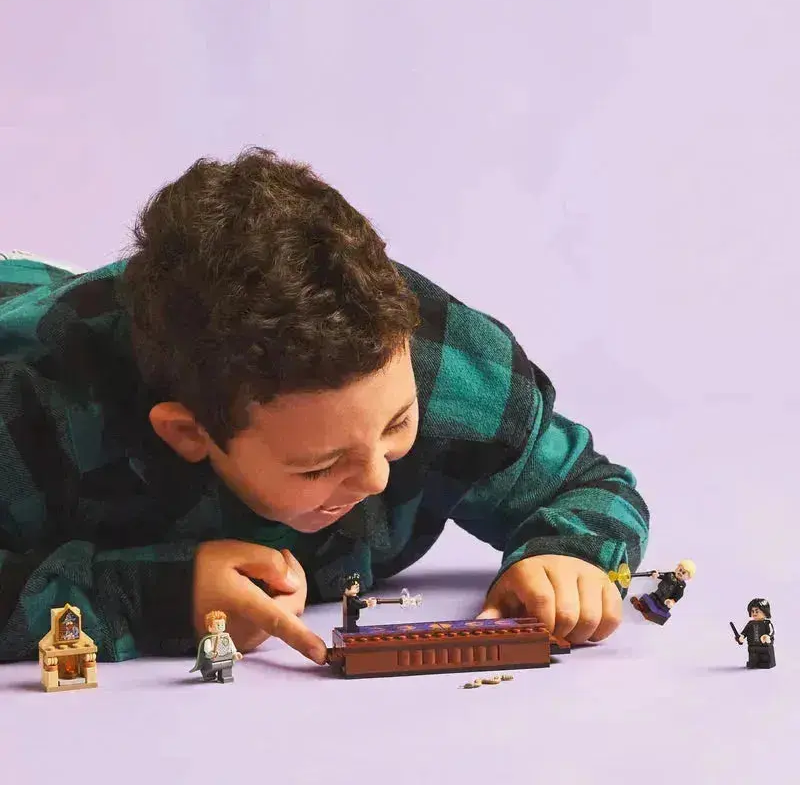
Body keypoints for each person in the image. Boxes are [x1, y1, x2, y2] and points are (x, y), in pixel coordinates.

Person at [0, 147, 649, 667]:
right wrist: (156, 596)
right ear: (188, 433)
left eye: (398, 424)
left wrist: (570, 555)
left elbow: (590, 484)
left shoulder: (446, 363)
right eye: (318, 466)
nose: (377, 479)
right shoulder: (33, 418)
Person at [630, 560, 695, 625]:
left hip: (664, 601)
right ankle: (640, 606)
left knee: (657, 608)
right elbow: (663, 575)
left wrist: (672, 601)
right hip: (657, 594)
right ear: (677, 568)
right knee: (649, 599)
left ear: (688, 578)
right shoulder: (670, 575)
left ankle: (651, 615)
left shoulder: (681, 586)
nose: (680, 573)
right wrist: (657, 575)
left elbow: (679, 595)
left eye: (683, 573)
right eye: (680, 570)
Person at [734, 598, 775, 669]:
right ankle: (754, 663)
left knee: (765, 658)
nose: (754, 613)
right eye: (752, 611)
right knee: (753, 658)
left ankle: (765, 663)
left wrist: (767, 636)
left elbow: (771, 631)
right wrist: (741, 637)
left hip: (764, 646)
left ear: (765, 611)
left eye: (757, 611)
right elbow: (744, 633)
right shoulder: (750, 624)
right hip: (752, 646)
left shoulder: (767, 623)